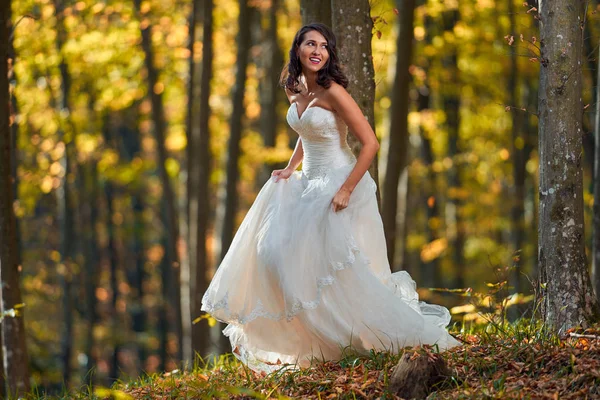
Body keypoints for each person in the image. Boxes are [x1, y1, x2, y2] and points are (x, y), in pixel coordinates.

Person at [201, 23, 460, 373]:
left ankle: (354, 337)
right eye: (310, 44)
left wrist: (346, 189)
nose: (317, 51)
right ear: (298, 49)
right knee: (274, 252)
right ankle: (315, 342)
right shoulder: (294, 88)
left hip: (341, 180)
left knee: (336, 265)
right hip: (310, 180)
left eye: (324, 46)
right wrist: (291, 167)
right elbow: (306, 131)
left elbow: (370, 143)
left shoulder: (333, 91)